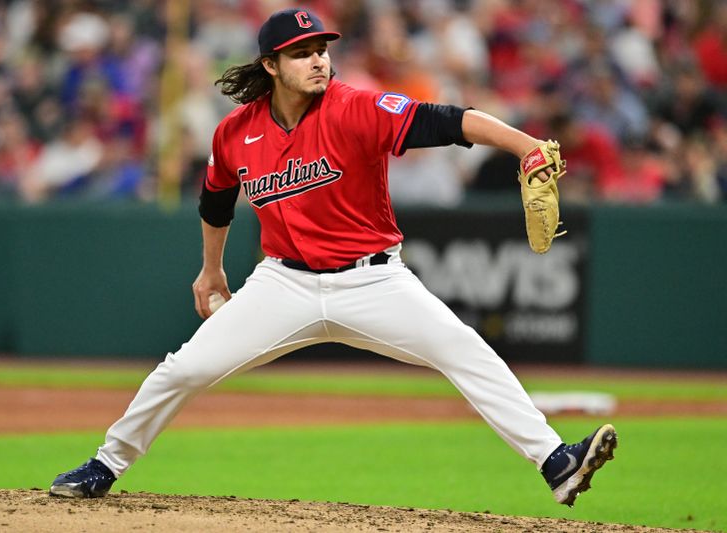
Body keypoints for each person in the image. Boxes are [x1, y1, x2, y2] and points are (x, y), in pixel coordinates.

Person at [50, 8, 617, 507]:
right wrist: (211, 268)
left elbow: (447, 120)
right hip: (283, 286)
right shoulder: (236, 133)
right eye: (302, 53)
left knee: (464, 347)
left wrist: (524, 145)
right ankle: (106, 464)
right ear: (271, 65)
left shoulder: (358, 108)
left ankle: (556, 463)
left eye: (322, 49)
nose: (318, 60)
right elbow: (216, 199)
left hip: (372, 281)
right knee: (184, 368)